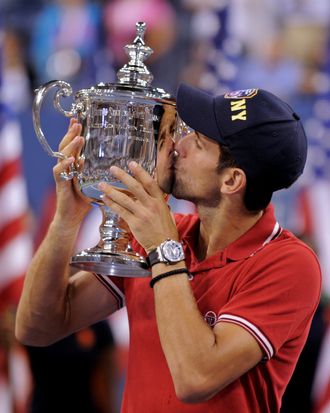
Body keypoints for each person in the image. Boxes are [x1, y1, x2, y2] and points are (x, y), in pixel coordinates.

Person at [15, 84, 322, 412]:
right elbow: (38, 327)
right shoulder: (169, 233)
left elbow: (195, 378)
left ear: (231, 181)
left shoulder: (289, 263)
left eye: (198, 142)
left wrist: (163, 248)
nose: (178, 145)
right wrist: (67, 218)